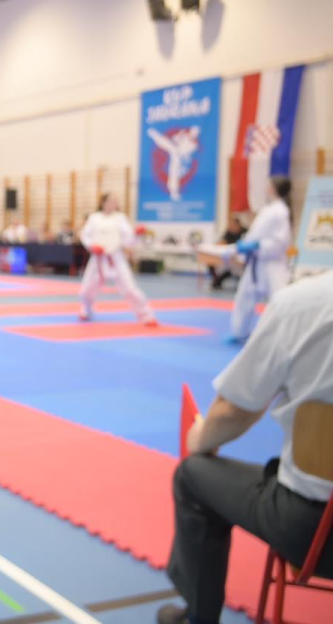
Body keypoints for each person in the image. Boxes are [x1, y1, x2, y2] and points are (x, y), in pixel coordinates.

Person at [157, 270, 333, 624]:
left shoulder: (305, 303)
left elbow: (235, 412)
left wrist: (198, 439)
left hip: (316, 535)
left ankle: (199, 617)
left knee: (192, 476)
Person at [227, 177, 292, 343]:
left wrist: (258, 246)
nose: (266, 187)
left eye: (268, 184)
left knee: (280, 300)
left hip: (273, 263)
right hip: (257, 261)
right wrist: (245, 247)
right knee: (244, 296)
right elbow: (255, 234)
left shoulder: (280, 211)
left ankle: (286, 337)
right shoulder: (268, 209)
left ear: (274, 188)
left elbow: (280, 241)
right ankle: (239, 331)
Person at [78, 192, 157, 326]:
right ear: (103, 203)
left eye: (115, 201)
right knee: (87, 288)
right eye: (110, 201)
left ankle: (145, 314)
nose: (113, 204)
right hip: (98, 257)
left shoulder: (120, 218)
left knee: (130, 288)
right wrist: (92, 246)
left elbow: (128, 240)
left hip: (116, 257)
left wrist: (136, 234)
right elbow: (85, 235)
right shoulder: (94, 218)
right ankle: (86, 308)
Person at [207, 216, 247, 290]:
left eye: (233, 225)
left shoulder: (245, 232)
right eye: (230, 225)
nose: (231, 227)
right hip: (227, 256)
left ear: (238, 225)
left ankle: (218, 281)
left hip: (241, 259)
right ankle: (216, 281)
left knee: (232, 267)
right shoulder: (229, 231)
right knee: (211, 262)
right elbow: (222, 241)